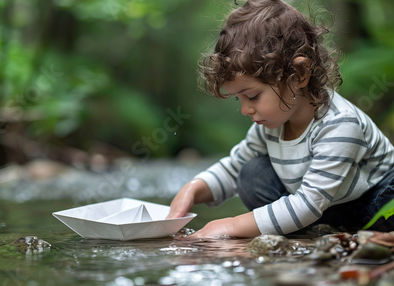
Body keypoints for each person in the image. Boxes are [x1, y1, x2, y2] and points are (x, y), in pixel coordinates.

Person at [167, 0, 394, 238]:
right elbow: (235, 168)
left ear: (299, 75)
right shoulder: (270, 125)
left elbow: (309, 203)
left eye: (253, 96)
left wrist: (229, 226)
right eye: (239, 99)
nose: (245, 109)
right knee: (252, 173)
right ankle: (311, 233)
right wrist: (192, 190)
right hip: (326, 209)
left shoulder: (340, 124)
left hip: (371, 203)